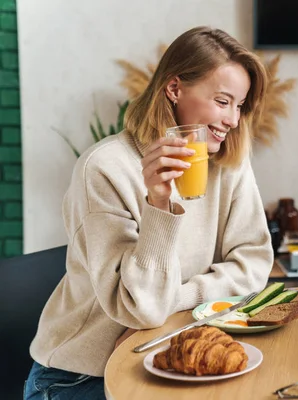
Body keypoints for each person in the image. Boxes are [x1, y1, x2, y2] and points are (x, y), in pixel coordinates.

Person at [24, 26, 273, 400]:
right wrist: (158, 205)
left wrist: (177, 302)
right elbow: (143, 310)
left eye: (239, 105)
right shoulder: (104, 168)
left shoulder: (228, 163)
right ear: (174, 89)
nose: (233, 120)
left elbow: (254, 265)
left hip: (170, 355)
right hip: (79, 377)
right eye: (222, 102)